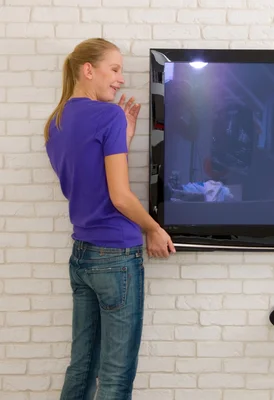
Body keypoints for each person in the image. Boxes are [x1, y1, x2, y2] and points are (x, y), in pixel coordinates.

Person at [44, 38, 176, 400]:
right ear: (89, 70)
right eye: (115, 69)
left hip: (82, 255)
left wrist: (124, 136)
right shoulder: (108, 115)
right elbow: (118, 197)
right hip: (116, 257)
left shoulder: (55, 123)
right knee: (116, 377)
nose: (121, 79)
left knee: (82, 366)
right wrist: (154, 228)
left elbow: (87, 185)